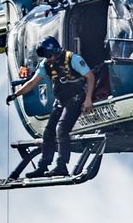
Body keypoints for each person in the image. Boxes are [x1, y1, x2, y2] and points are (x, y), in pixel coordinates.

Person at [6, 36, 96, 178]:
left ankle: (61, 166)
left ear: (56, 50)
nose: (48, 59)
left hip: (76, 99)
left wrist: (88, 99)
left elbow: (90, 77)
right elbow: (32, 82)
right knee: (48, 133)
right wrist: (16, 95)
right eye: (45, 57)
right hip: (60, 101)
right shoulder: (45, 65)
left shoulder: (73, 59)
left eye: (49, 56)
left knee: (61, 129)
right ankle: (42, 166)